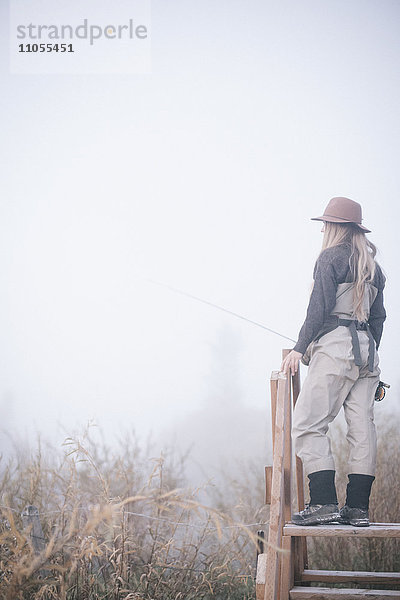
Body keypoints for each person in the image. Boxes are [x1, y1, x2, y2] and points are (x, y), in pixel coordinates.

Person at [281, 197, 386, 527]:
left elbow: (319, 308)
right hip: (368, 353)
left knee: (307, 424)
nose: (323, 227)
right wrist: (368, 361)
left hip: (336, 349)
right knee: (362, 431)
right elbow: (378, 318)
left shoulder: (329, 258)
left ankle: (324, 502)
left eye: (327, 222)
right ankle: (357, 508)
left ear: (338, 226)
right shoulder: (373, 267)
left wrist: (299, 348)